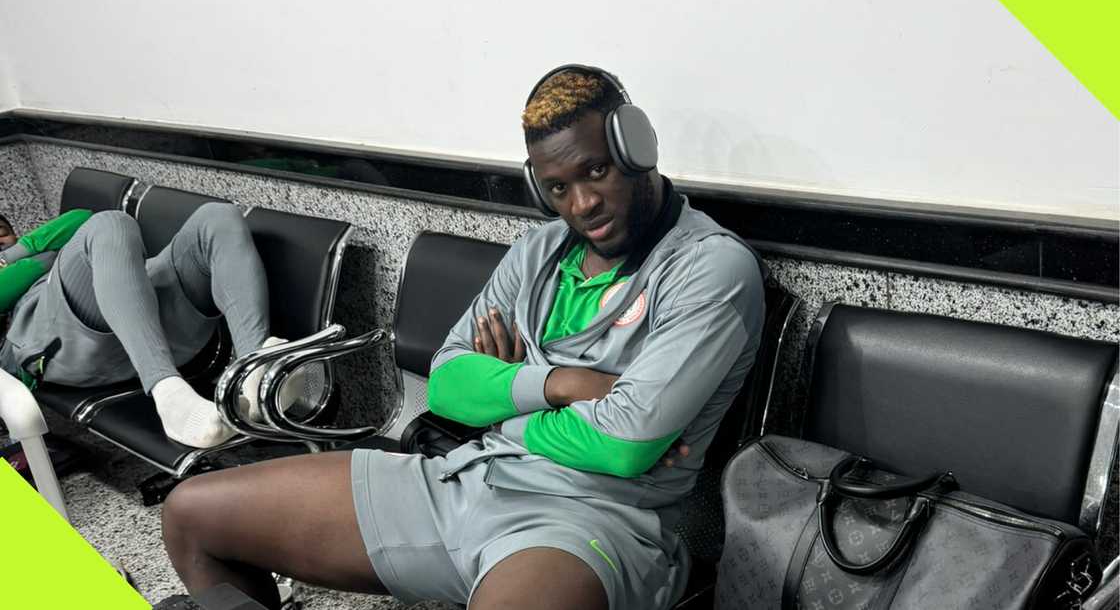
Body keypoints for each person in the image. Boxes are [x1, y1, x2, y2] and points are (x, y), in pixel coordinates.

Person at [159, 65, 765, 610]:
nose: (582, 204)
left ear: (638, 148)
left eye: (596, 171)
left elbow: (623, 447)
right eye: (557, 188)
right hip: (464, 478)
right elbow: (447, 387)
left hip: (589, 521)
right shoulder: (538, 252)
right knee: (191, 516)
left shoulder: (708, 268)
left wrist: (502, 403)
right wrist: (562, 384)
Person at [0, 203, 295, 448]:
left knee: (218, 216)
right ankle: (171, 399)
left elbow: (78, 218)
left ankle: (256, 373)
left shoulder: (20, 256)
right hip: (57, 345)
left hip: (141, 320)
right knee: (110, 224)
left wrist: (7, 258)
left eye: (3, 233)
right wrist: (29, 260)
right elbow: (10, 285)